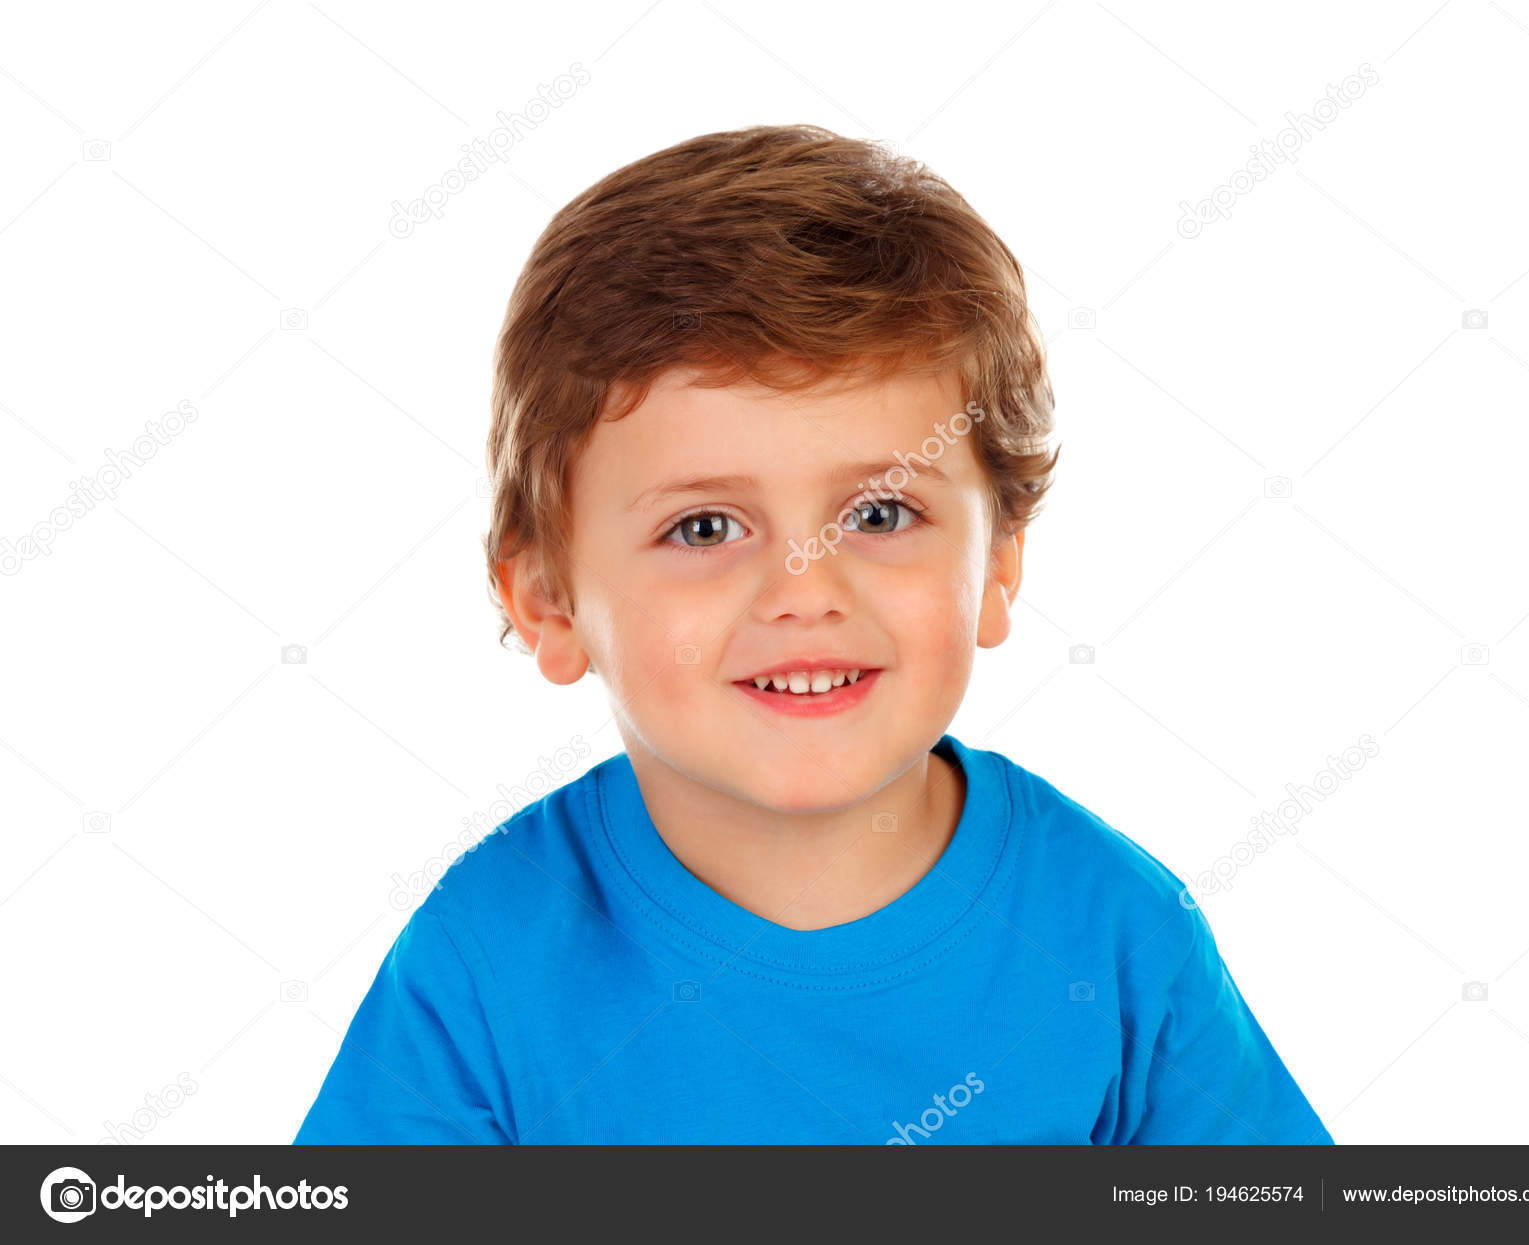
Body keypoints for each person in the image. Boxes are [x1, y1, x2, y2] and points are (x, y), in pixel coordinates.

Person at [294, 124, 1331, 1144]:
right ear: (549, 603)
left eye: (879, 516)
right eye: (703, 527)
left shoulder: (1113, 935)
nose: (804, 591)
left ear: (999, 564)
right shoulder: (485, 960)